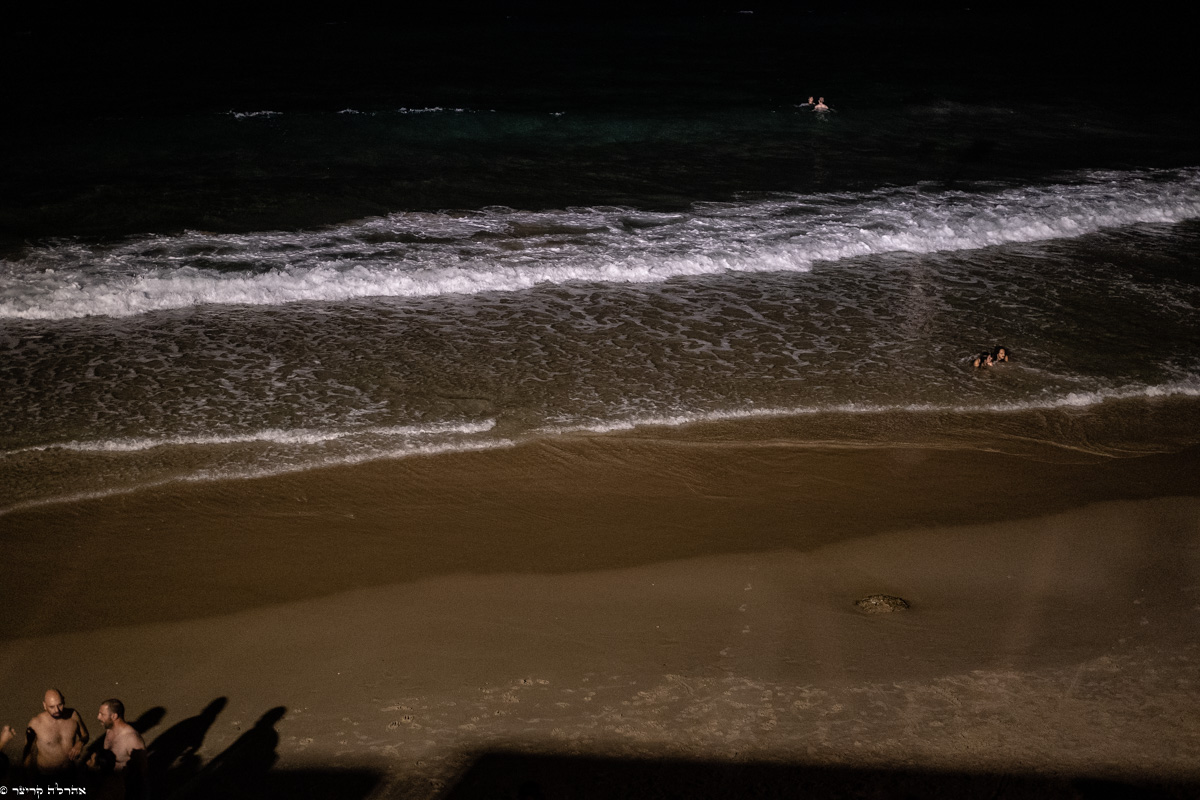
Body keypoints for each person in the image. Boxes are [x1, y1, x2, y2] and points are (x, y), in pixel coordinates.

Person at [24, 688, 89, 774]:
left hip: (69, 773)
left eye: (60, 705)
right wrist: (27, 777)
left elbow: (85, 735)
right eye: (52, 707)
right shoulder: (35, 723)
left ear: (64, 701)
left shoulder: (73, 715)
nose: (57, 710)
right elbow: (27, 753)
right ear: (44, 705)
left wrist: (80, 743)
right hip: (46, 776)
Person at [96, 698, 146, 772]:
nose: (98, 717)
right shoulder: (109, 730)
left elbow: (143, 769)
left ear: (114, 716)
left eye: (102, 714)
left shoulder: (132, 739)